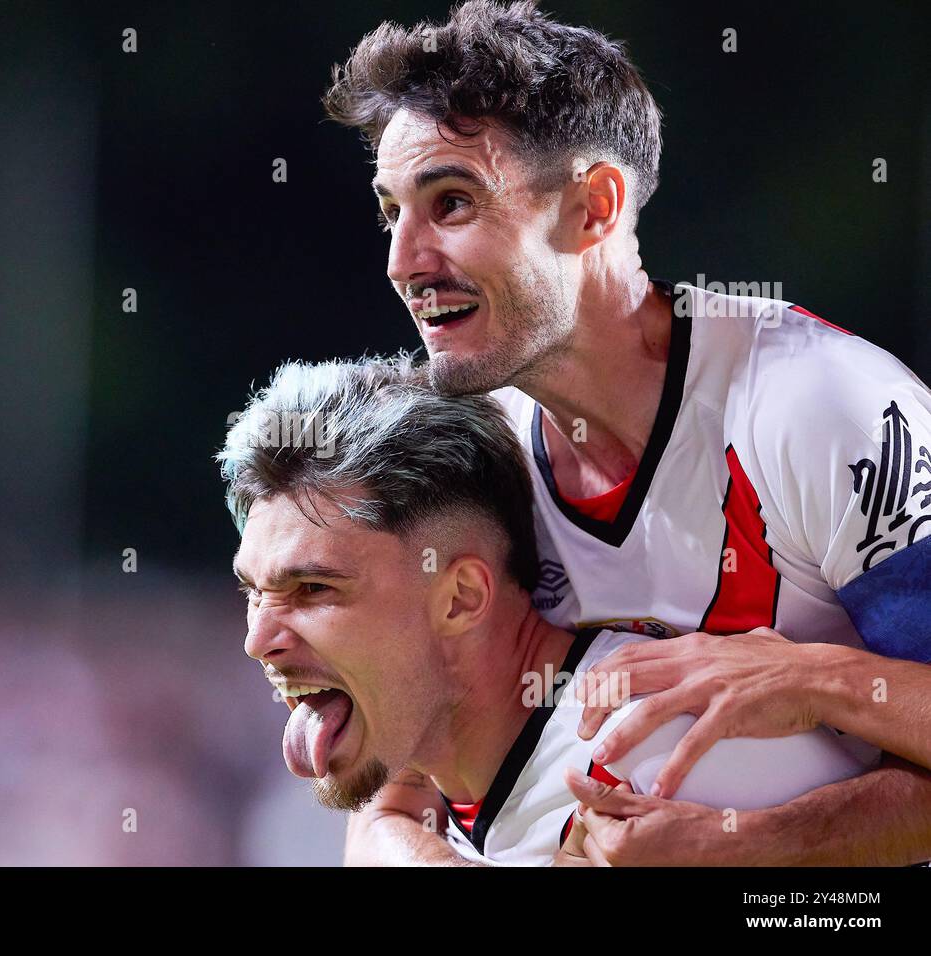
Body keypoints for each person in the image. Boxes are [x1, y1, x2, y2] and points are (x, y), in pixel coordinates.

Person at [323, 0, 931, 865]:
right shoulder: (475, 444)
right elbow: (394, 793)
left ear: (595, 207)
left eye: (450, 202)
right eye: (392, 213)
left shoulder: (821, 405)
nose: (401, 260)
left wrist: (796, 726)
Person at [220, 355, 876, 865]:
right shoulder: (439, 762)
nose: (258, 640)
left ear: (460, 599)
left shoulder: (649, 756)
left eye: (314, 590)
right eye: (253, 591)